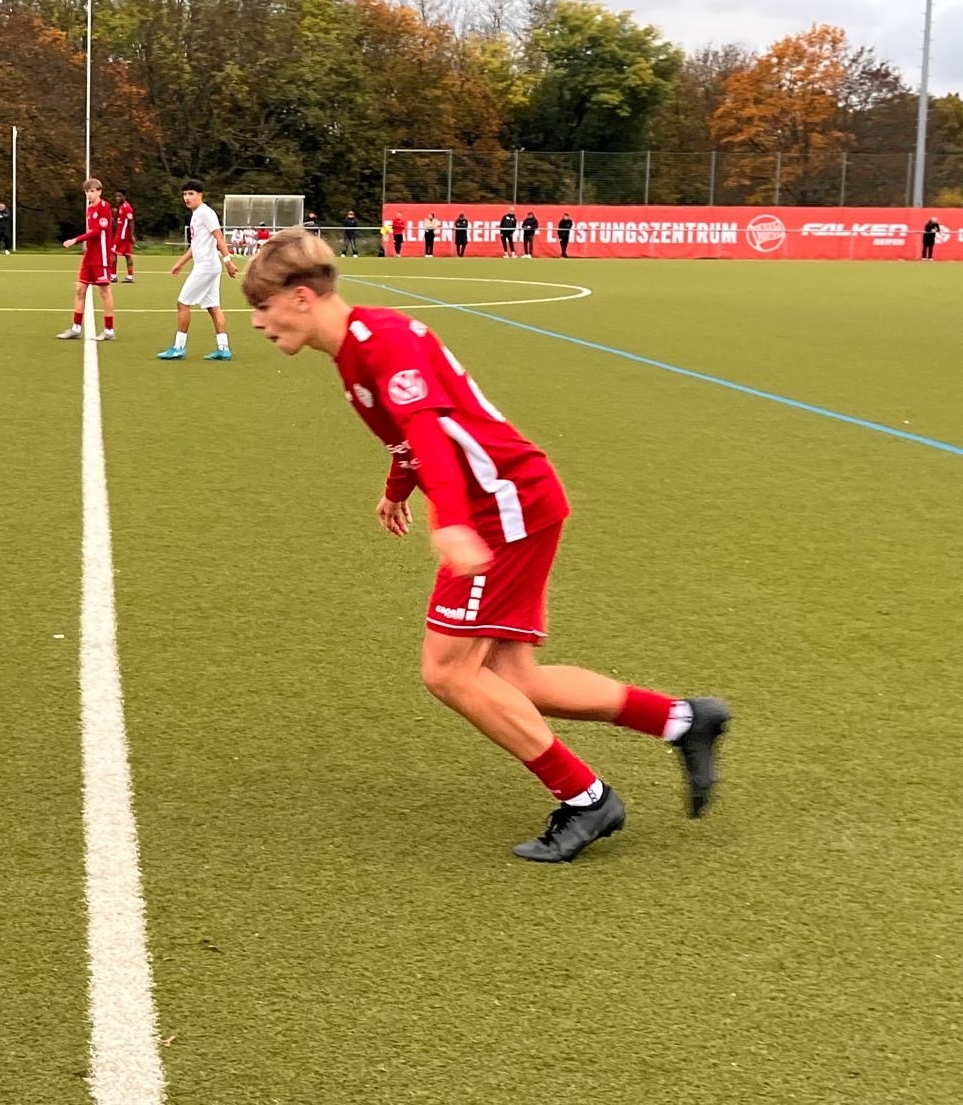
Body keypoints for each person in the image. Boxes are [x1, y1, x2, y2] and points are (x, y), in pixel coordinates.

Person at [240, 228, 730, 862]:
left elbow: (427, 428)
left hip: (502, 509)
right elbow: (410, 437)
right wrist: (397, 489)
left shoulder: (382, 341)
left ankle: (587, 799)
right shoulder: (355, 352)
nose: (258, 321)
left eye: (262, 306)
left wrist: (450, 519)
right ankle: (683, 720)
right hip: (512, 501)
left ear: (301, 297)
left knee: (448, 672)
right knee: (510, 677)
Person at [158, 178, 236, 360]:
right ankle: (223, 349)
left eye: (191, 194)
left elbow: (219, 237)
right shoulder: (196, 215)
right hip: (208, 266)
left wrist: (228, 261)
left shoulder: (206, 213)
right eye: (185, 194)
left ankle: (179, 347)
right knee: (213, 307)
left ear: (200, 195)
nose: (187, 197)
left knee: (182, 303)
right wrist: (180, 263)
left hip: (206, 267)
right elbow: (196, 246)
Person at [56, 177, 117, 342]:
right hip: (89, 256)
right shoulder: (89, 209)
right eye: (87, 192)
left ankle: (109, 330)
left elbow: (97, 231)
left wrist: (75, 240)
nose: (89, 194)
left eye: (92, 191)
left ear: (99, 192)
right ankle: (75, 328)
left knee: (104, 292)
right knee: (80, 289)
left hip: (101, 256)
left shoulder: (104, 207)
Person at [113, 190, 136, 281]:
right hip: (123, 235)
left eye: (119, 196)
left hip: (122, 235)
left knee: (112, 252)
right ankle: (130, 276)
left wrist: (132, 235)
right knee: (127, 255)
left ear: (124, 197)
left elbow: (131, 221)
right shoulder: (121, 207)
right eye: (116, 196)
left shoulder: (127, 207)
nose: (117, 198)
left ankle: (113, 275)